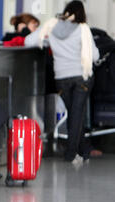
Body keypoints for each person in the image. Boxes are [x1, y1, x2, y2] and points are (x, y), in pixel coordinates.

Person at [25, 0, 100, 164]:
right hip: (82, 76)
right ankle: (71, 154)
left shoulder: (52, 27)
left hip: (61, 79)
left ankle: (83, 151)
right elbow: (95, 56)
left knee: (74, 114)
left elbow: (28, 41)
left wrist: (46, 40)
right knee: (77, 115)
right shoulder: (83, 29)